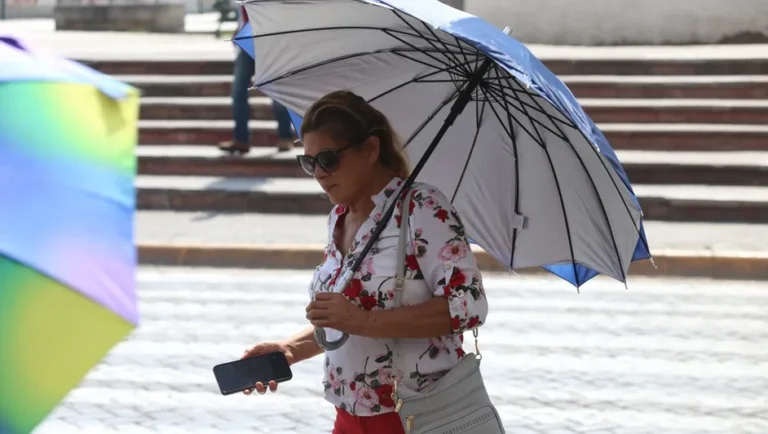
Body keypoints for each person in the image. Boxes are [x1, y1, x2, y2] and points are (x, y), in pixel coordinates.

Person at [239, 90, 489, 434]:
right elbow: (345, 318)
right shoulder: (339, 216)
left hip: (415, 418)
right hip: (349, 419)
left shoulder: (422, 208)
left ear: (370, 149)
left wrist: (363, 321)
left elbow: (469, 307)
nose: (319, 173)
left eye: (327, 158)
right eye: (309, 162)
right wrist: (289, 350)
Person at [218, 4, 293, 155]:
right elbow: (244, 15)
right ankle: (241, 139)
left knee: (277, 91)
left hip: (270, 42)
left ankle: (285, 136)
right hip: (247, 41)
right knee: (238, 92)